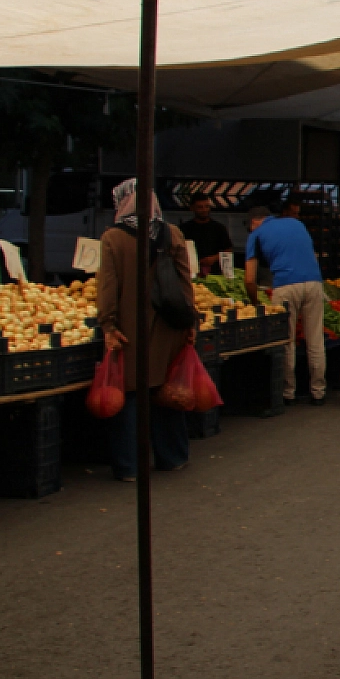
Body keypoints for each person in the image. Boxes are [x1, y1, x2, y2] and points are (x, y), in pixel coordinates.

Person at [97, 179, 195, 480]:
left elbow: (108, 287)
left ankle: (130, 466)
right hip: (169, 326)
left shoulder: (113, 238)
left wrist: (108, 325)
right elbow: (185, 282)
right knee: (166, 390)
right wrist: (191, 323)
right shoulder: (172, 234)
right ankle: (173, 456)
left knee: (129, 394)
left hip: (130, 328)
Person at [244, 203, 326, 405]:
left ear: (255, 221)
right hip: (315, 283)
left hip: (285, 286)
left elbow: (249, 279)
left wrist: (254, 303)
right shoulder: (296, 224)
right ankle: (318, 391)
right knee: (315, 340)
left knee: (286, 341)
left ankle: (288, 392)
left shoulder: (256, 234)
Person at [178, 192, 232, 276]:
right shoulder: (184, 229)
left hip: (215, 274)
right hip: (191, 273)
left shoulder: (219, 228)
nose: (204, 210)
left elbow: (228, 250)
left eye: (207, 206)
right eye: (200, 207)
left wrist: (213, 259)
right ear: (192, 208)